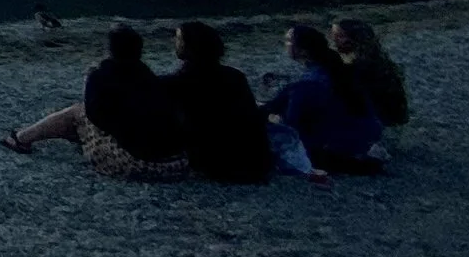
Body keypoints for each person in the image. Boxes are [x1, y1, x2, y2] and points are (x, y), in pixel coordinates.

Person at [0, 24, 189, 180]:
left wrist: (89, 82)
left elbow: (94, 114)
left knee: (76, 112)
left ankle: (21, 138)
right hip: (175, 163)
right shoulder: (148, 75)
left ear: (110, 50)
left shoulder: (103, 74)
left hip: (139, 164)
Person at [263, 25, 383, 178]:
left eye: (288, 41)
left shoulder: (310, 82)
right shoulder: (338, 71)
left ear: (303, 50)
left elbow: (293, 127)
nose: (285, 44)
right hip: (364, 135)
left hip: (333, 144)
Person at [158, 21, 271, 184]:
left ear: (189, 46)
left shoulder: (176, 83)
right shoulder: (235, 76)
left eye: (178, 39)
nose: (175, 43)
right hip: (254, 160)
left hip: (212, 162)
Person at [330, 18, 410, 127]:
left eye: (339, 36)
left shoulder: (361, 69)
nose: (335, 41)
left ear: (352, 40)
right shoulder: (381, 63)